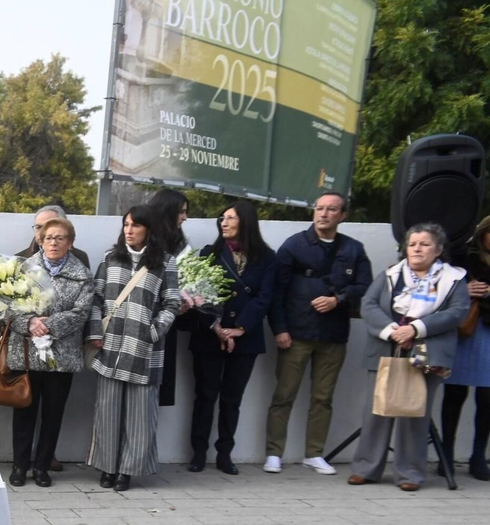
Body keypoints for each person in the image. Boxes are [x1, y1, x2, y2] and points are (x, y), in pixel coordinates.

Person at [349, 223, 470, 491]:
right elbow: (368, 305)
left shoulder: (453, 279)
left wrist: (415, 329)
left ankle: (410, 474)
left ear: (438, 250)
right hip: (386, 347)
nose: (417, 249)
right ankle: (366, 469)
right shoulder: (390, 274)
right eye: (412, 244)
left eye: (424, 244)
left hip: (429, 352)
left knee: (415, 413)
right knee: (376, 410)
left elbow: (458, 311)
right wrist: (394, 331)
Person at [265, 192, 373, 474]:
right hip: (296, 333)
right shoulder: (294, 245)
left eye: (331, 209)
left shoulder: (353, 249)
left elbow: (366, 287)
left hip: (334, 335)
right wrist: (280, 329)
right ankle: (273, 453)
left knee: (323, 398)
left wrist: (338, 299)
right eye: (319, 208)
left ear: (343, 215)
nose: (324, 214)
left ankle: (314, 453)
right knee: (283, 395)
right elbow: (276, 291)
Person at [88, 205, 184, 491]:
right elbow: (96, 298)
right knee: (107, 412)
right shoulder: (110, 258)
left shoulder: (165, 263)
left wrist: (153, 331)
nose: (129, 230)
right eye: (126, 225)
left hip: (145, 350)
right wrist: (95, 332)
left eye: (136, 225)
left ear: (149, 229)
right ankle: (107, 467)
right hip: (111, 346)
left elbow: (173, 303)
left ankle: (127, 471)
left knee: (140, 416)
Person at [0, 217, 94, 486]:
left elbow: (81, 312)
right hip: (26, 353)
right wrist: (28, 323)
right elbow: (5, 304)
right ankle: (19, 466)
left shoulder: (82, 274)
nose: (53, 242)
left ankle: (41, 467)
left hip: (61, 357)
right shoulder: (22, 268)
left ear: (70, 244)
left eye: (60, 238)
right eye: (49, 237)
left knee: (53, 414)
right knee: (24, 411)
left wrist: (48, 325)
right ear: (41, 240)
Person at [187, 201, 276, 475]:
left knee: (232, 398)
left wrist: (241, 328)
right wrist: (217, 327)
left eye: (230, 218)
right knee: (205, 395)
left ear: (245, 221)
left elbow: (266, 297)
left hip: (245, 337)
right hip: (210, 335)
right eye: (222, 218)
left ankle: (225, 453)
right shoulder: (209, 254)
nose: (223, 223)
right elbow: (197, 292)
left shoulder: (267, 257)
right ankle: (198, 452)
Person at [441, 215, 490, 480]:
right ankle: (446, 454)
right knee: (455, 393)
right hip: (465, 332)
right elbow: (440, 290)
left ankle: (478, 456)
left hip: (489, 334)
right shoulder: (461, 257)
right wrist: (466, 290)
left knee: (486, 397)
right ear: (483, 234)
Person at [148, 188, 192, 408]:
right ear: (168, 211)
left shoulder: (180, 244)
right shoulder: (145, 238)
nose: (185, 217)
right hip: (142, 322)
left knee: (158, 390)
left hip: (167, 326)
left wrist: (183, 302)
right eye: (181, 212)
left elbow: (188, 279)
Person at [15, 205, 91, 267]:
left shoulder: (80, 257)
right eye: (38, 227)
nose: (43, 232)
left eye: (48, 227)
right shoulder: (19, 259)